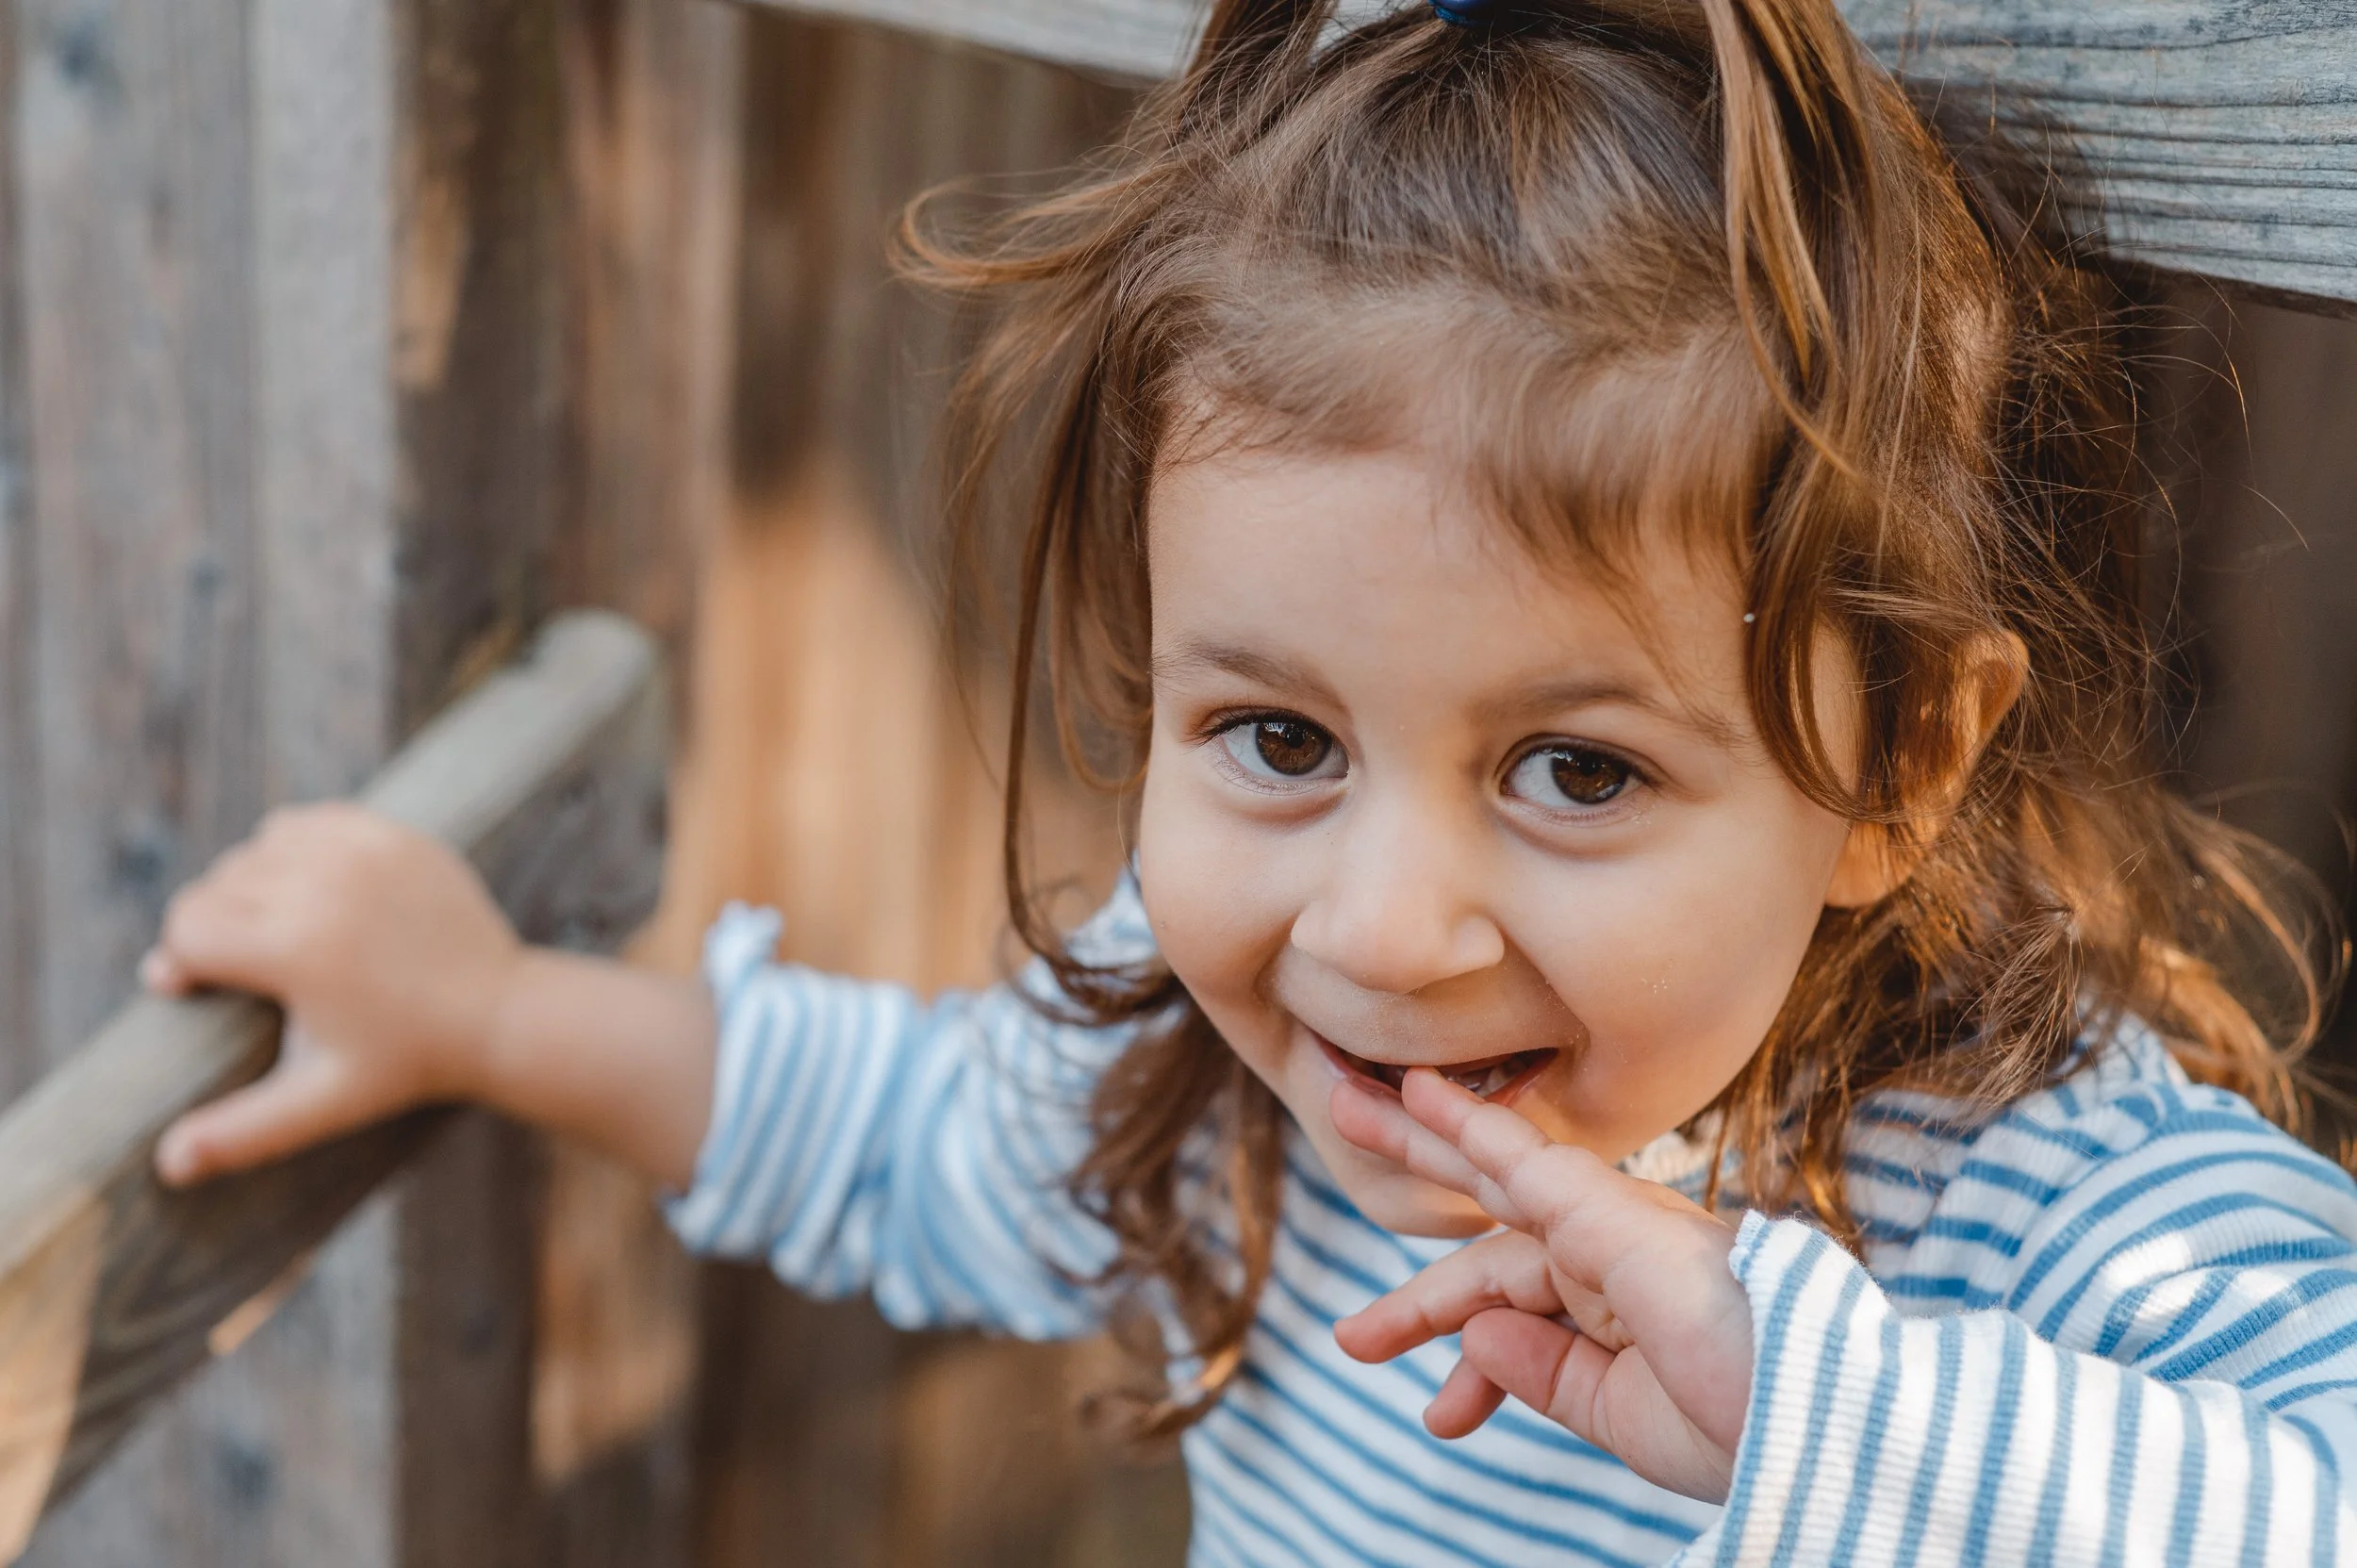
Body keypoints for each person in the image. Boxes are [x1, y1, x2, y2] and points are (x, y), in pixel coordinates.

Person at [139, 0, 2357, 1561]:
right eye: (1276, 741)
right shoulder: (1236, 1106)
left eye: (1574, 771)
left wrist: (1795, 1392)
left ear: (1902, 762)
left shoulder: (2030, 1197)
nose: (1378, 931)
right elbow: (919, 1143)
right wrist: (490, 1011)